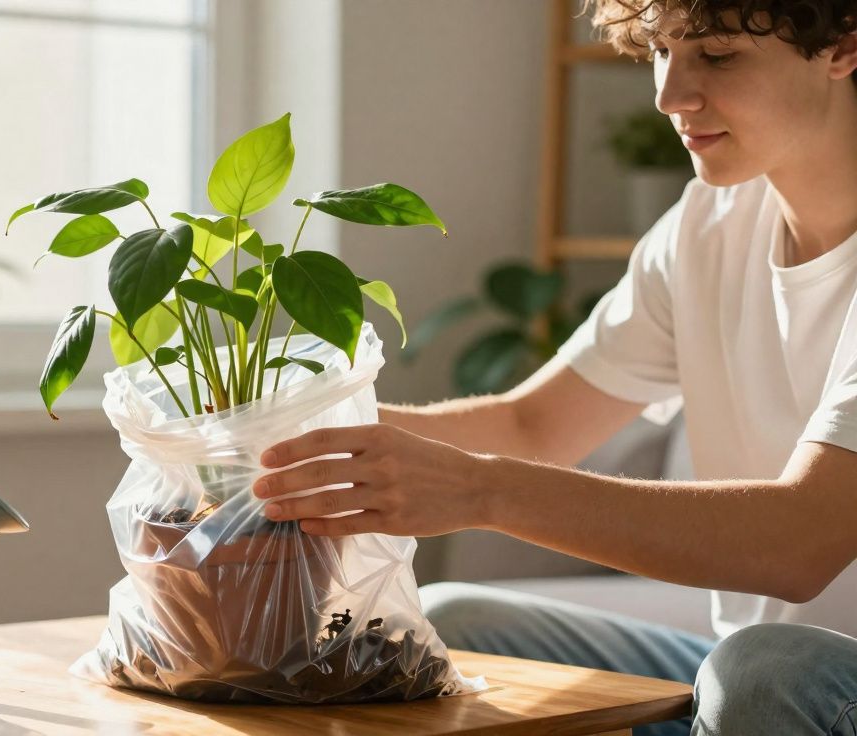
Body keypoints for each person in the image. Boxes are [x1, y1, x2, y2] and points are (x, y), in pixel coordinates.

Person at [254, 2, 857, 734]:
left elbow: (799, 543)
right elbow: (534, 423)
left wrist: (481, 489)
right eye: (663, 53)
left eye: (718, 56)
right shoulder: (707, 228)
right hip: (744, 667)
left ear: (842, 47)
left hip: (804, 679)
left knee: (765, 671)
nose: (670, 96)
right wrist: (289, 430)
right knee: (452, 621)